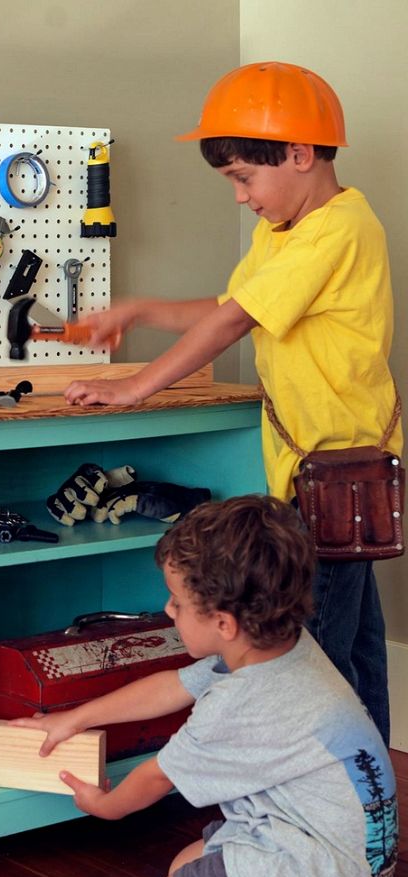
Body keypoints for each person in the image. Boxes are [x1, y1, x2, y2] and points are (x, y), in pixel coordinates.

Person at [63, 62, 403, 745]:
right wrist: (142, 310)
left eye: (246, 177)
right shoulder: (280, 234)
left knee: (314, 663)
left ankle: (319, 818)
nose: (242, 198)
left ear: (301, 155)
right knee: (356, 651)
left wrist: (133, 388)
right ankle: (374, 817)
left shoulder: (340, 226)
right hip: (310, 471)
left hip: (337, 477)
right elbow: (225, 305)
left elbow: (233, 323)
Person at [14, 495, 406, 877]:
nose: (167, 609)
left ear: (223, 623)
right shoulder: (284, 646)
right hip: (355, 852)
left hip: (327, 862)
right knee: (188, 862)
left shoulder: (241, 703)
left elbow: (156, 776)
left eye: (177, 602)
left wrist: (106, 806)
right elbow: (170, 687)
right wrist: (73, 718)